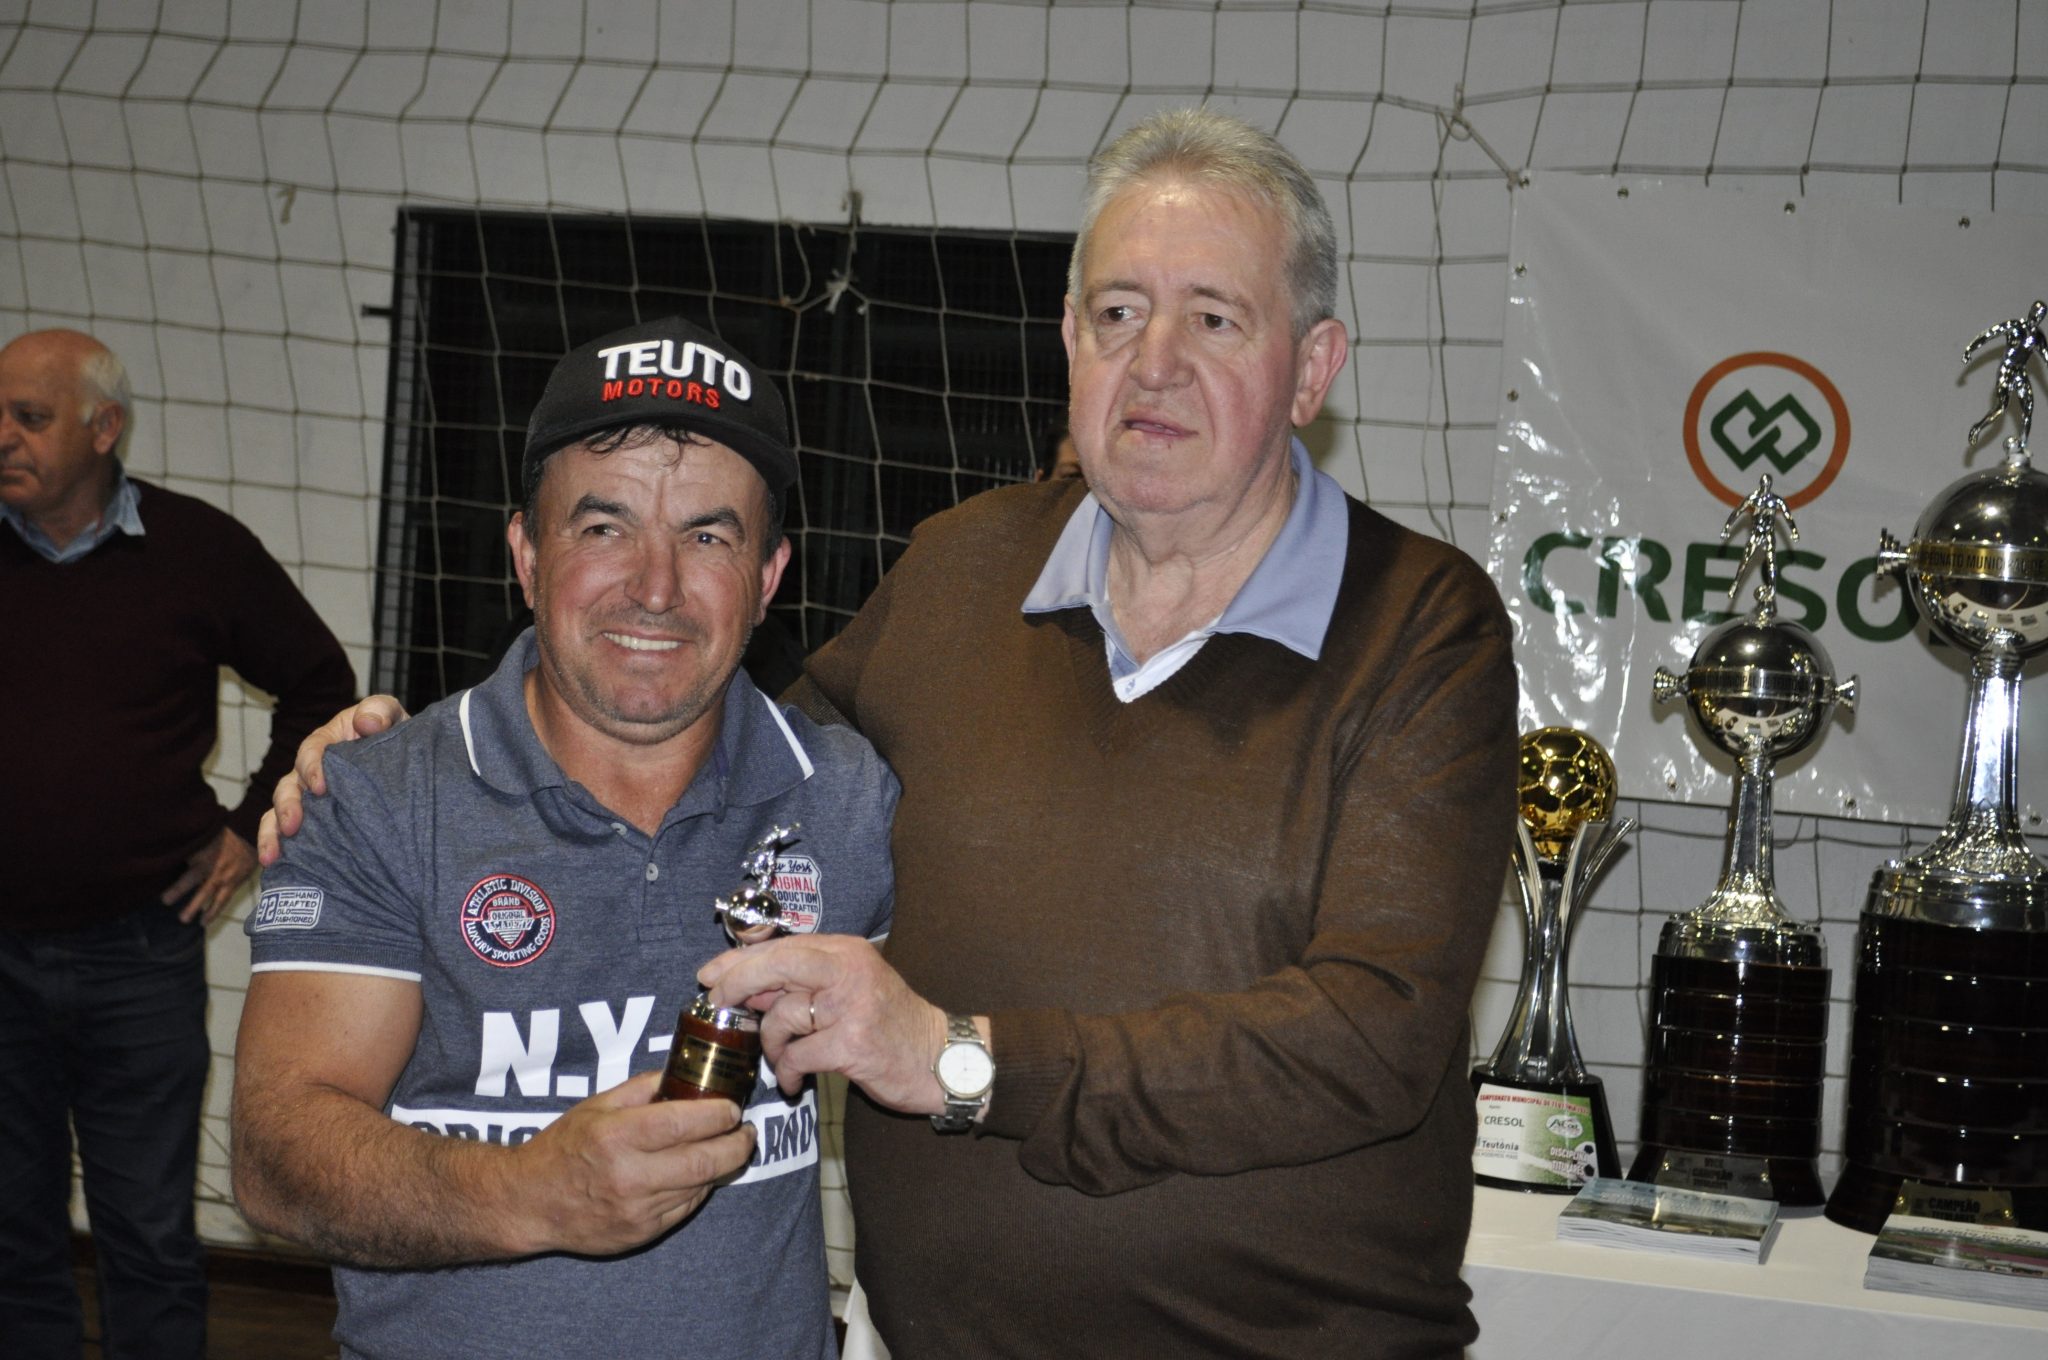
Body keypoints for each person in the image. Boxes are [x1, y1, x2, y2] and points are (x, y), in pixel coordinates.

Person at [269, 109, 1518, 1357]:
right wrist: (392, 763)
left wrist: (960, 1060)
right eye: (1119, 312)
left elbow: (1377, 1034)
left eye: (1213, 319)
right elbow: (721, 739)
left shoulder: (1417, 624)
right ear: (1069, 341)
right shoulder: (964, 569)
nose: (1154, 364)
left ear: (1311, 369)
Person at [230, 316, 897, 1360]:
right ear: (527, 555)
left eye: (708, 536)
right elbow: (276, 1157)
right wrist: (533, 1194)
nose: (655, 587)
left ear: (768, 578)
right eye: (603, 527)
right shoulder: (377, 797)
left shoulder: (850, 800)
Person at [0, 328, 356, 1360]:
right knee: (10, 1230)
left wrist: (247, 830)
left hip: (139, 951)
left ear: (104, 428)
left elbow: (321, 686)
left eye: (30, 417)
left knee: (148, 1231)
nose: (4, 437)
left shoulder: (198, 549)